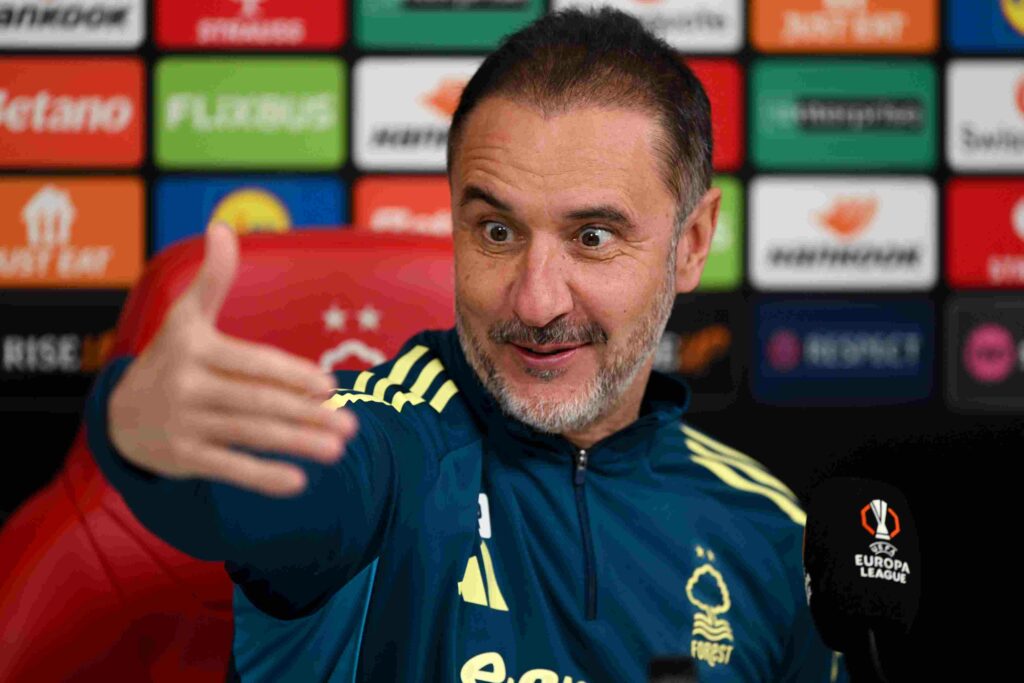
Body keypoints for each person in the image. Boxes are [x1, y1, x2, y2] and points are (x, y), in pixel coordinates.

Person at [87, 8, 848, 682]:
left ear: (691, 243)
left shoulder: (772, 532)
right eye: (496, 231)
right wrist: (142, 431)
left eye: (591, 237)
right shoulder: (385, 443)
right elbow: (288, 490)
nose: (536, 299)